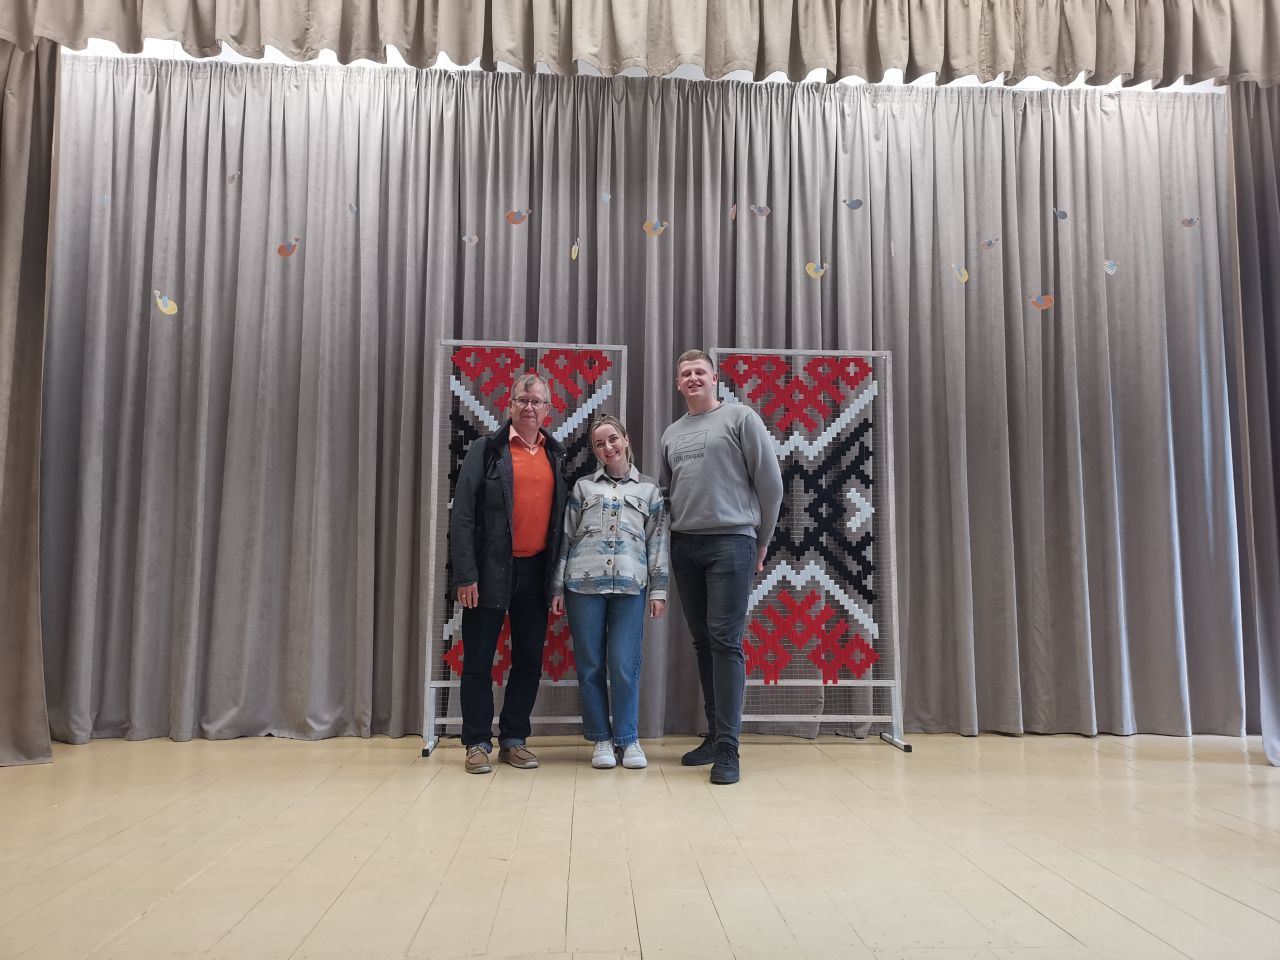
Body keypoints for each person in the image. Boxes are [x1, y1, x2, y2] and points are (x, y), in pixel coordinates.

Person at [660, 349, 783, 785]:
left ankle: (729, 748)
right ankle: (713, 736)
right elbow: (668, 492)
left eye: (700, 371)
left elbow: (771, 484)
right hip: (685, 545)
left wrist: (762, 540)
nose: (693, 378)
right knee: (703, 642)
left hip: (732, 542)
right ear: (678, 384)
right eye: (685, 374)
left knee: (726, 641)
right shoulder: (671, 434)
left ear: (715, 379)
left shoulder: (740, 418)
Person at [449, 372, 568, 774]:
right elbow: (463, 516)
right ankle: (477, 742)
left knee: (529, 662)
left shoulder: (556, 455)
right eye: (523, 400)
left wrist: (557, 581)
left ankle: (514, 740)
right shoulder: (486, 450)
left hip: (537, 572)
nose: (529, 407)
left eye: (537, 402)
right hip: (488, 572)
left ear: (548, 410)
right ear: (510, 405)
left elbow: (560, 522)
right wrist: (466, 576)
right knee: (478, 661)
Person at [550, 416, 669, 770]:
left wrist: (659, 590)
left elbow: (658, 542)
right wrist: (557, 587)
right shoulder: (583, 488)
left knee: (624, 664)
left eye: (613, 439)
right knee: (590, 665)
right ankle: (601, 738)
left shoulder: (649, 490)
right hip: (582, 586)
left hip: (631, 587)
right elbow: (566, 538)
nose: (608, 448)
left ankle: (628, 739)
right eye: (599, 444)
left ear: (626, 439)